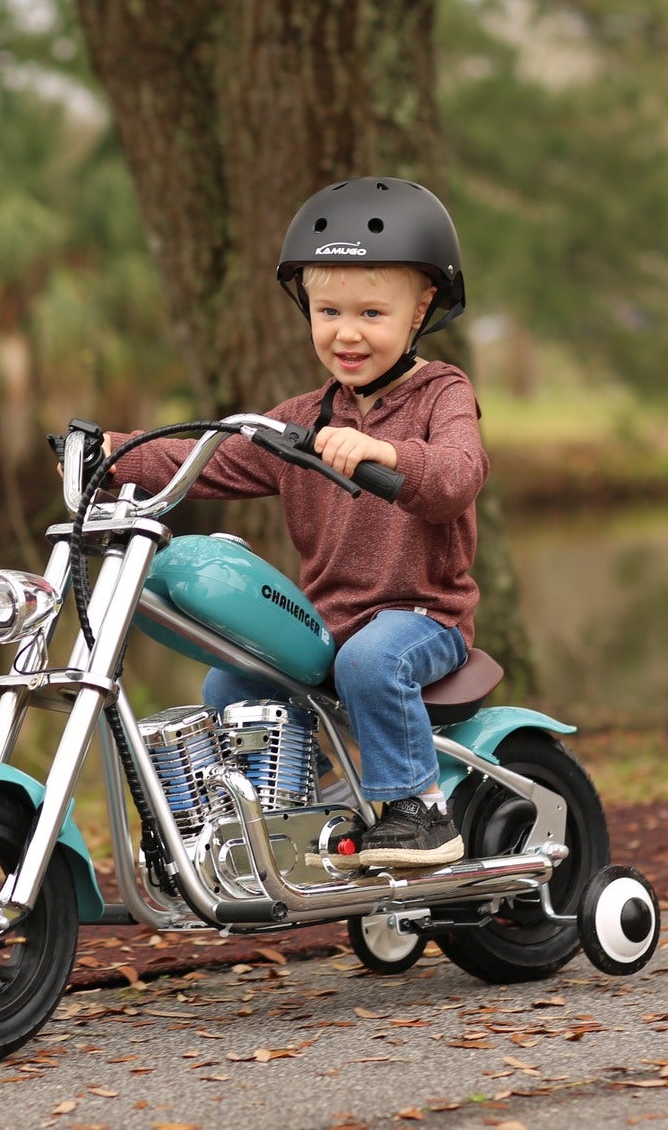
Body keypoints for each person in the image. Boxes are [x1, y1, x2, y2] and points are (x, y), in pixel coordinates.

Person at [105, 176, 487, 870]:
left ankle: (420, 813)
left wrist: (386, 452)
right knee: (228, 681)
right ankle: (264, 826)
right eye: (328, 309)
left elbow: (459, 473)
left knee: (370, 659)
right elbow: (208, 454)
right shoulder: (303, 419)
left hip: (421, 617)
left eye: (372, 312)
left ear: (421, 307)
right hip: (326, 624)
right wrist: (117, 453)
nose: (346, 331)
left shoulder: (443, 393)